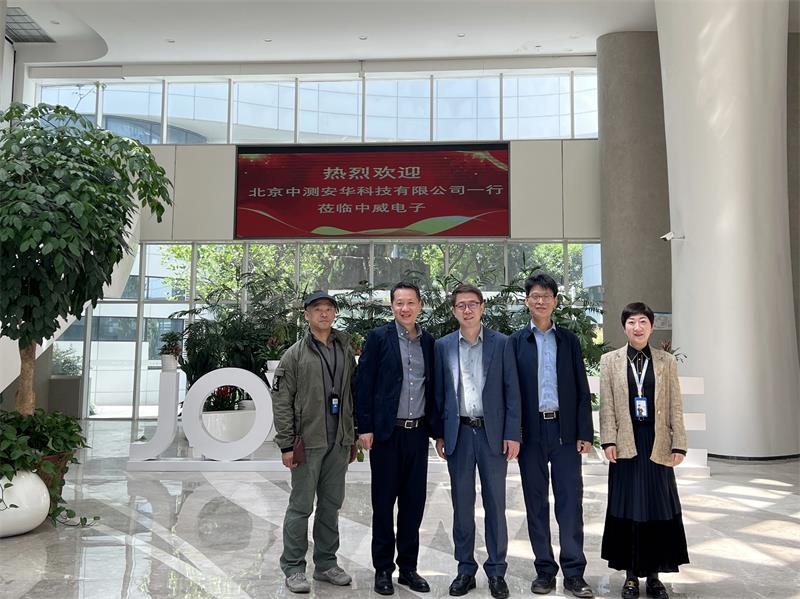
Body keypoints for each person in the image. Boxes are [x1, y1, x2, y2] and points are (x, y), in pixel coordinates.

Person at [507, 272, 594, 598]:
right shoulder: (516, 342)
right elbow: (510, 392)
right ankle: (544, 570)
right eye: (535, 296)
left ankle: (574, 572)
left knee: (570, 503)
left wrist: (584, 431)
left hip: (564, 432)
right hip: (530, 434)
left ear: (555, 301)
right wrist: (513, 434)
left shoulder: (568, 340)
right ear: (526, 301)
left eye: (546, 296)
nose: (540, 301)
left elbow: (582, 389)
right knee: (535, 503)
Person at [433, 284, 521, 599]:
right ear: (454, 310)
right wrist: (440, 433)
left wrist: (512, 433)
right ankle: (465, 569)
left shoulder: (502, 343)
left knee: (495, 504)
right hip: (459, 433)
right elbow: (440, 394)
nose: (467, 310)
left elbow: (512, 391)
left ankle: (496, 571)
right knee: (462, 505)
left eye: (473, 304)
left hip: (492, 435)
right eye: (461, 305)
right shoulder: (443, 346)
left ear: (482, 307)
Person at [599, 302, 689, 599]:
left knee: (657, 505)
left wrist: (679, 442)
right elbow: (607, 405)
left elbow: (675, 403)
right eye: (631, 322)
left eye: (643, 322)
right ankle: (630, 576)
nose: (637, 327)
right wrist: (608, 441)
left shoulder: (666, 361)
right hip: (626, 441)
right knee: (627, 505)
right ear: (624, 327)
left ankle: (654, 576)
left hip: (656, 440)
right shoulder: (610, 361)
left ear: (651, 327)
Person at [271, 290, 358, 594]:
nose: (324, 313)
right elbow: (282, 401)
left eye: (329, 308)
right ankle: (294, 567)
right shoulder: (294, 355)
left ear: (335, 313)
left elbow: (352, 394)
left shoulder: (344, 348)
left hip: (339, 441)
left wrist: (352, 435)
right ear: (306, 315)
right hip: (307, 443)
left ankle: (326, 564)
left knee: (331, 506)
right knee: (301, 507)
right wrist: (286, 444)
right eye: (317, 309)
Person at [355, 281, 437, 596]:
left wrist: (437, 432)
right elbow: (364, 384)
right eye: (399, 303)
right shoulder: (378, 338)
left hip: (418, 434)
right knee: (383, 503)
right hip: (387, 435)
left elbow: (434, 388)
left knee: (413, 504)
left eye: (410, 302)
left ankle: (408, 569)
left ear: (420, 305)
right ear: (392, 307)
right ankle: (383, 570)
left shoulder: (428, 341)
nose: (405, 308)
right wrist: (365, 427)